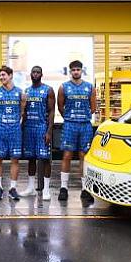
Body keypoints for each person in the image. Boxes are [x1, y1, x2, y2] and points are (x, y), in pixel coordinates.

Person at [57, 60, 96, 203]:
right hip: (70, 124)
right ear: (70, 71)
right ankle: (63, 188)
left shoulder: (90, 87)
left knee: (83, 156)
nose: (76, 72)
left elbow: (93, 107)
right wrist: (69, 117)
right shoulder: (64, 87)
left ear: (82, 71)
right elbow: (60, 107)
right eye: (73, 70)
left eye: (78, 70)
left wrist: (82, 116)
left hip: (85, 124)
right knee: (67, 155)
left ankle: (85, 189)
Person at [0, 66, 26, 201]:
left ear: (10, 75)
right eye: (0, 76)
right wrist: (0, 122)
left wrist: (14, 122)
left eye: (4, 75)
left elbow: (22, 111)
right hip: (0, 129)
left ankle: (13, 188)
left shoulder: (20, 93)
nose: (2, 78)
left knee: (15, 159)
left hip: (15, 130)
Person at [20, 66, 55, 201]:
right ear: (30, 74)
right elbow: (23, 111)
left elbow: (51, 111)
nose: (35, 74)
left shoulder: (48, 90)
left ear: (42, 74)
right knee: (31, 158)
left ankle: (46, 189)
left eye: (38, 72)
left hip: (42, 127)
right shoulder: (27, 91)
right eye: (33, 72)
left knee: (45, 158)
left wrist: (49, 131)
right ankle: (30, 188)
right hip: (29, 128)